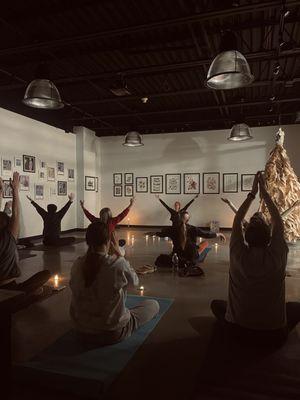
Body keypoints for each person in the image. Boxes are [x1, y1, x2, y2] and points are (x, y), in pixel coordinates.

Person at [211, 172, 300, 348]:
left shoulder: (237, 254)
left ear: (246, 233)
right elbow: (278, 222)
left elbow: (237, 221)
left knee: (216, 305)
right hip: (273, 337)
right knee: (295, 308)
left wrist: (253, 194)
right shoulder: (277, 256)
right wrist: (264, 194)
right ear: (269, 235)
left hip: (236, 332)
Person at [69, 221, 159, 345]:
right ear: (109, 242)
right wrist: (120, 256)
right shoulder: (116, 263)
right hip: (112, 333)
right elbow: (134, 283)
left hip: (80, 332)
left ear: (87, 242)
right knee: (153, 304)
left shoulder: (77, 264)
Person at [0, 174, 50, 294]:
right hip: (10, 289)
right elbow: (16, 214)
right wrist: (15, 189)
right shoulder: (7, 236)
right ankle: (27, 295)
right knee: (45, 277)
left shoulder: (8, 235)